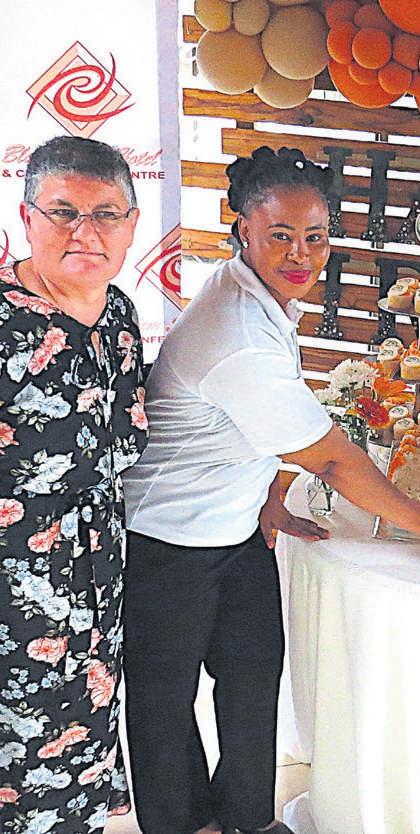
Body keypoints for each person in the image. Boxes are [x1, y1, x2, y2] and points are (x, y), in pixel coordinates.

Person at [121, 146, 420, 834]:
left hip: (236, 530)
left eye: (315, 237)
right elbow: (333, 461)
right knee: (164, 702)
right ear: (243, 229)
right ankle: (182, 825)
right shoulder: (237, 332)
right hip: (167, 542)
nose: (300, 254)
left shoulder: (256, 295)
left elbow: (242, 426)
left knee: (254, 678)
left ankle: (249, 819)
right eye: (280, 235)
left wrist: (266, 495)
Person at [0, 137, 145, 827]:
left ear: (131, 225)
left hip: (96, 585)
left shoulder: (119, 316)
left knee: (79, 752)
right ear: (26, 218)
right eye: (63, 212)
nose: (86, 231)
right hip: (13, 595)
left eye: (106, 214)